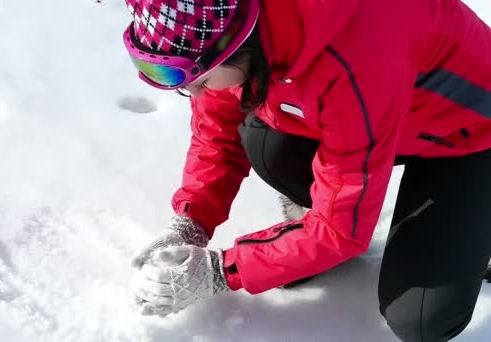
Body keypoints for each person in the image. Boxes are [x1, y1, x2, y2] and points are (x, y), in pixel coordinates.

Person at [123, 0, 491, 340]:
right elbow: (216, 135)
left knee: (422, 317)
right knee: (264, 142)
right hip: (380, 119)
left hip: (469, 135)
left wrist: (222, 272)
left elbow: (341, 230)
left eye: (199, 81)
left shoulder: (360, 54)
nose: (197, 93)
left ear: (237, 46)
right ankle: (301, 248)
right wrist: (191, 221)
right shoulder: (225, 24)